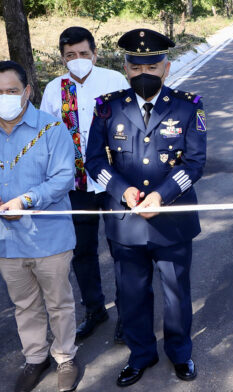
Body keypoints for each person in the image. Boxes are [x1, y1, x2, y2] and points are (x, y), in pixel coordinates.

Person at [85, 28, 206, 387]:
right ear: (125, 68)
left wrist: (163, 196)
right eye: (136, 68)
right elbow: (94, 162)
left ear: (166, 68)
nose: (144, 75)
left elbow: (195, 162)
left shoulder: (188, 106)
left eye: (152, 67)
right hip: (127, 223)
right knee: (131, 294)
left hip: (172, 220)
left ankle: (180, 353)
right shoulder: (109, 107)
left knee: (176, 294)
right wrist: (123, 191)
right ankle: (140, 355)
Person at [0, 61, 79, 392]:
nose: (4, 97)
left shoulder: (52, 128)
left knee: (58, 301)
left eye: (11, 91)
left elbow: (62, 178)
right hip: (5, 240)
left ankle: (65, 356)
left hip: (50, 237)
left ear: (27, 91)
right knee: (23, 303)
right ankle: (35, 357)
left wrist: (25, 201)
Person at [40, 26, 129, 342]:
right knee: (82, 251)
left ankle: (127, 314)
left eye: (83, 54)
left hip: (114, 180)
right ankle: (95, 309)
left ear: (95, 53)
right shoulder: (55, 89)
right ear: (62, 57)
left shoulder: (114, 82)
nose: (77, 60)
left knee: (122, 248)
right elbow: (45, 138)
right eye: (70, 55)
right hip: (75, 185)